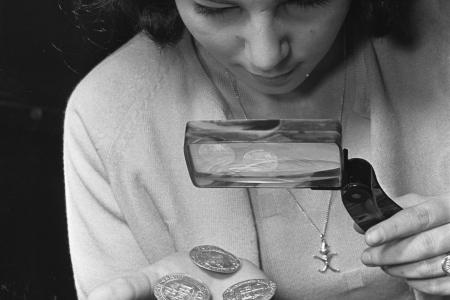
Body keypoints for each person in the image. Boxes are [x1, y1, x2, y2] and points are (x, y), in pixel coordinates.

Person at [63, 0, 450, 299]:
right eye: (218, 7)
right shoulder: (111, 118)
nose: (267, 56)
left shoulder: (439, 51)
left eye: (304, 1)